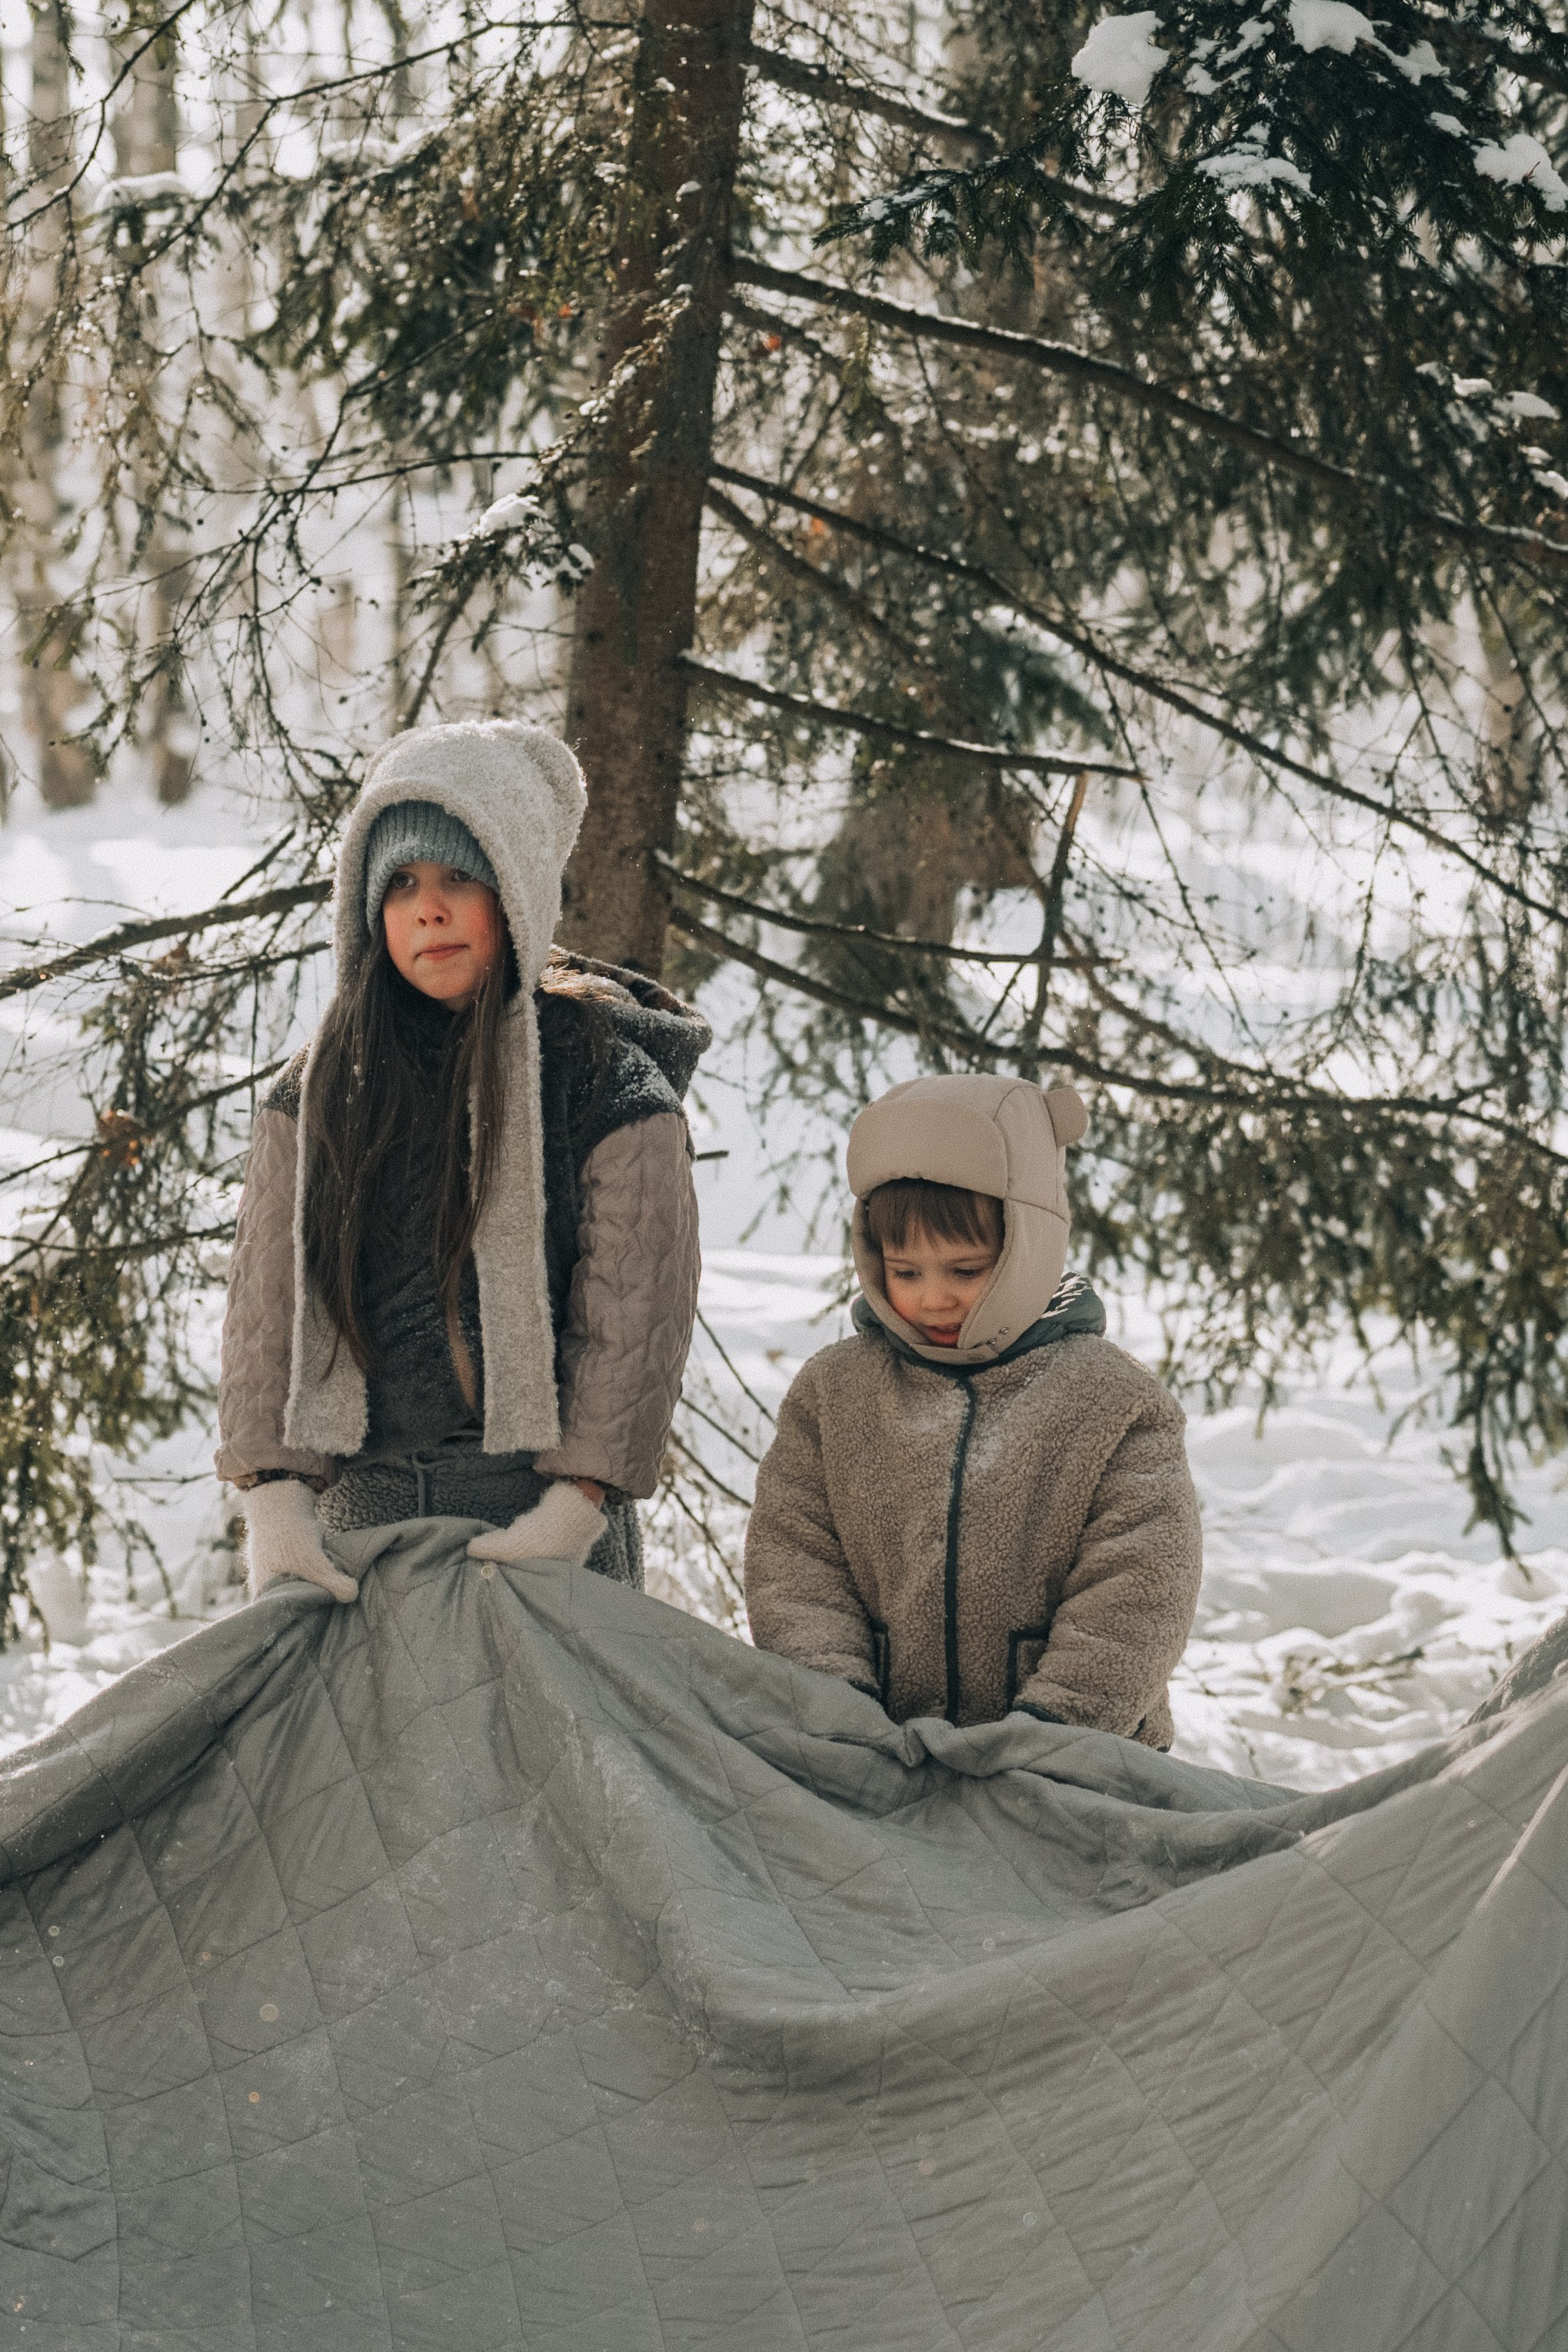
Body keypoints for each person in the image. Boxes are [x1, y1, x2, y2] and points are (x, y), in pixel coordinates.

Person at [216, 719, 707, 1599]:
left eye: (457, 878)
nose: (427, 909)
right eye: (400, 883)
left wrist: (577, 1501)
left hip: (535, 1507)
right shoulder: (321, 1084)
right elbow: (268, 1303)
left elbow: (633, 1307)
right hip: (359, 1517)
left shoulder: (602, 1078)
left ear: (516, 890)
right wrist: (279, 1501)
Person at [743, 1073, 1203, 1747]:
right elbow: (796, 1560)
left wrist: (1053, 1728)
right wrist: (834, 1702)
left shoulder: (1112, 1402)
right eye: (905, 1272)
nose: (932, 1299)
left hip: (1072, 1769)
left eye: (965, 1270)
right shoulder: (834, 1393)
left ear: (1029, 1246)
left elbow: (1139, 1587)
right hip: (873, 1757)